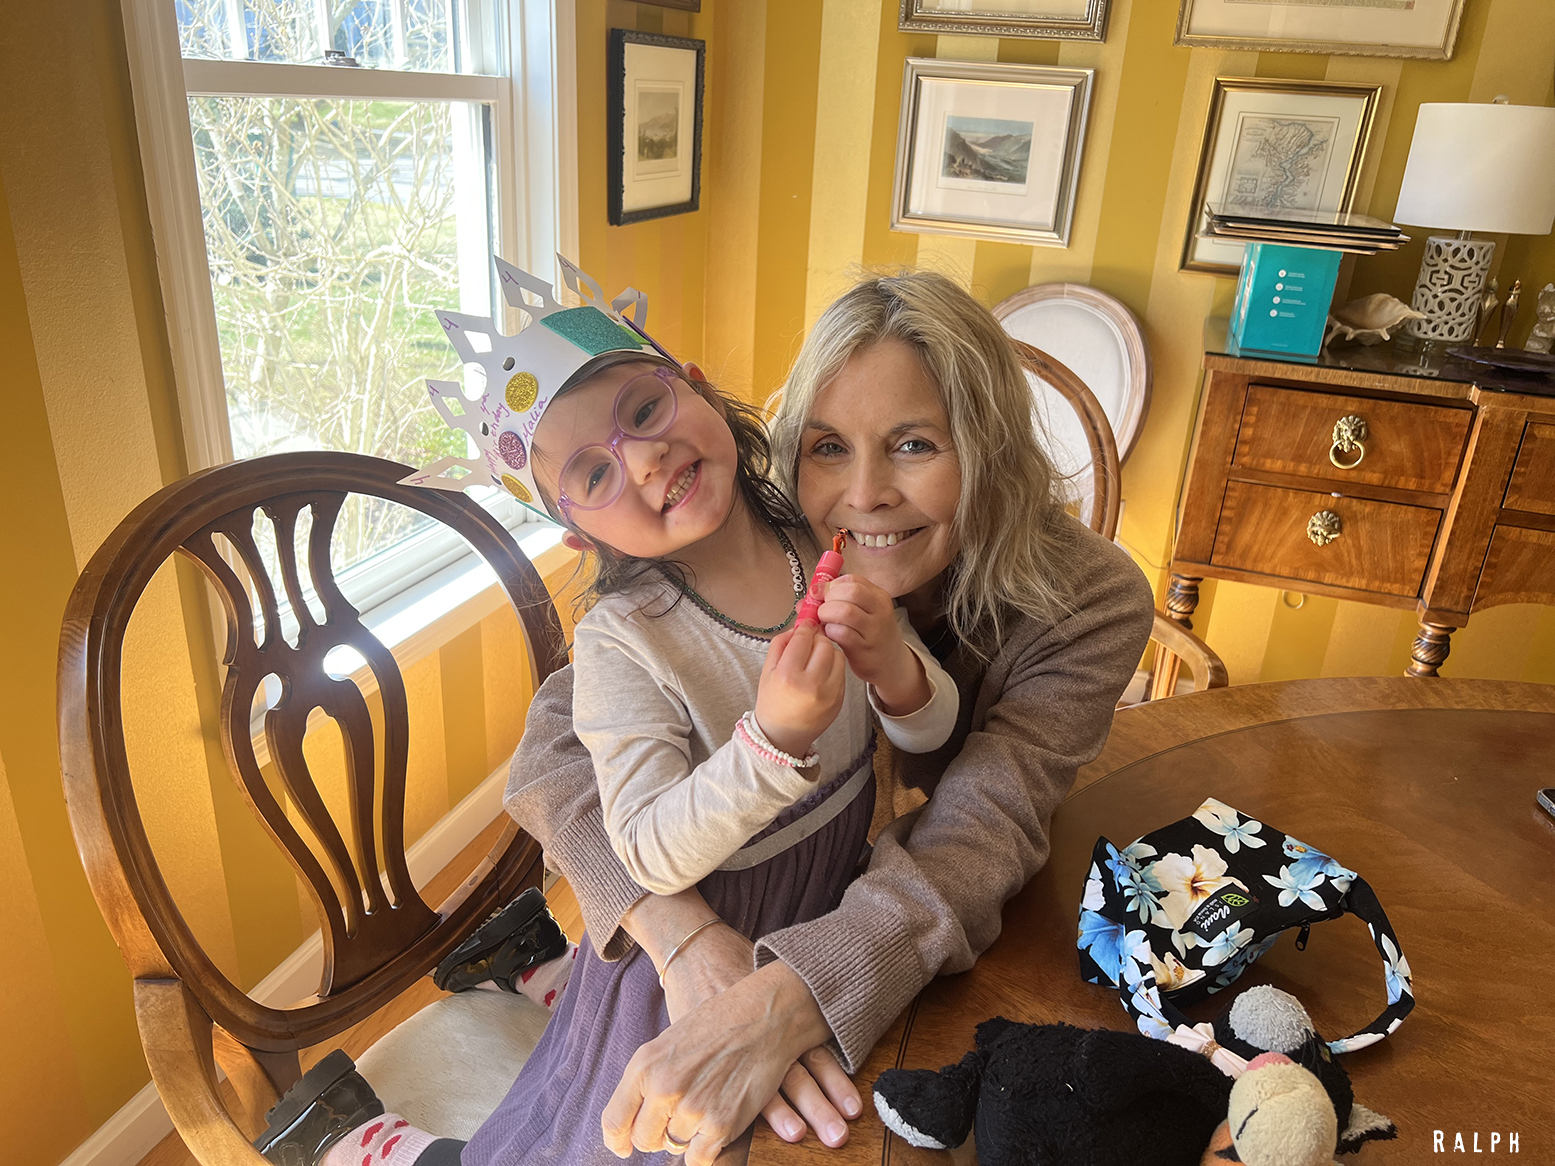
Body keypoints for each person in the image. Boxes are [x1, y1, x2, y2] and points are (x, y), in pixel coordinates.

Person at [253, 260, 960, 1166]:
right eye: (594, 471)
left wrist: (898, 670)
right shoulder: (626, 646)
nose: (644, 458)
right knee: (611, 1142)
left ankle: (540, 972)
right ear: (578, 533)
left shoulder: (825, 542)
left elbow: (929, 734)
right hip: (691, 946)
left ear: (696, 387)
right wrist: (771, 742)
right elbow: (644, 851)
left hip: (822, 917)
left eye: (644, 409)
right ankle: (372, 1141)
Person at [505, 269, 1156, 1166]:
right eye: (826, 447)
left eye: (915, 444)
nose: (863, 494)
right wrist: (682, 941)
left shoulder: (1086, 599)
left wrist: (790, 996)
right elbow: (554, 753)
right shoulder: (762, 532)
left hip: (870, 912)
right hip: (735, 897)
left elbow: (983, 826)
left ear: (991, 446)